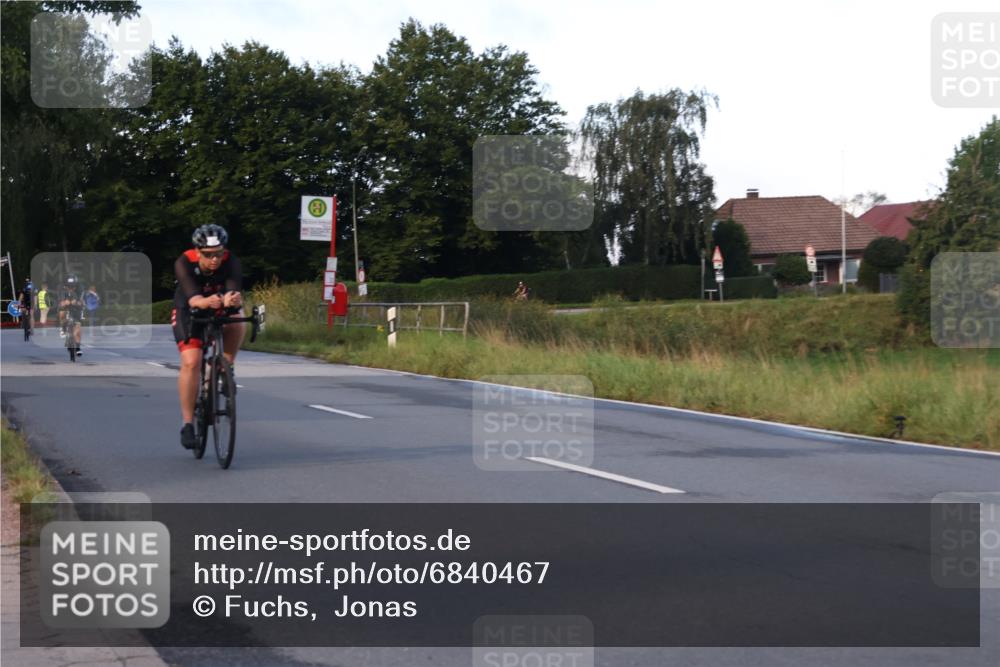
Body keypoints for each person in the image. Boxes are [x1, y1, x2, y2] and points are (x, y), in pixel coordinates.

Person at [173, 224, 244, 450]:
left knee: (238, 319)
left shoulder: (231, 260)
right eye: (208, 255)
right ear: (198, 252)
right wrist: (204, 301)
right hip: (190, 309)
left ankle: (226, 365)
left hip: (217, 303)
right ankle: (187, 424)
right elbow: (194, 299)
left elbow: (234, 290)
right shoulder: (184, 262)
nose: (214, 260)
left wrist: (232, 299)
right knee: (192, 362)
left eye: (218, 254)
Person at [58, 275, 84, 356]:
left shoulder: (80, 289)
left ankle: (78, 348)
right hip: (65, 306)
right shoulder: (61, 289)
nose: (71, 288)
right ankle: (62, 328)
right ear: (65, 286)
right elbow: (60, 303)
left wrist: (76, 302)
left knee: (78, 329)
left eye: (73, 287)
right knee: (62, 312)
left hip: (76, 308)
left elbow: (81, 302)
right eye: (69, 287)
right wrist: (64, 302)